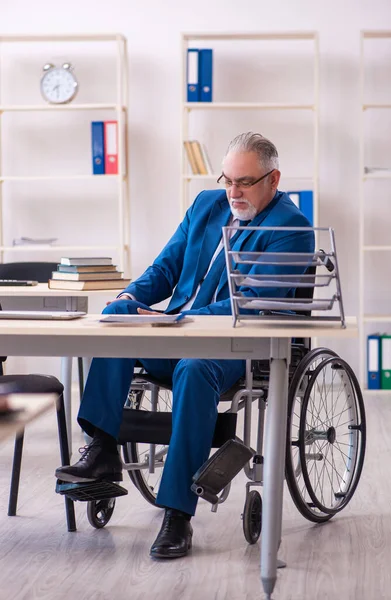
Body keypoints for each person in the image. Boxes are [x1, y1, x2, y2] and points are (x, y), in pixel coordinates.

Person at [55, 132, 314, 558]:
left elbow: (249, 305)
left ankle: (177, 514)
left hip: (233, 350)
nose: (233, 192)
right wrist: (130, 297)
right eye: (227, 180)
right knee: (116, 318)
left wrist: (175, 321)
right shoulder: (205, 206)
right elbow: (165, 267)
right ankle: (102, 449)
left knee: (195, 366)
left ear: (273, 179)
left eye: (245, 182)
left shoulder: (291, 228)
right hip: (174, 333)